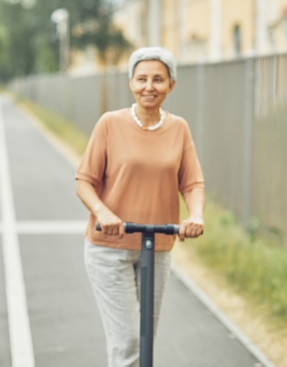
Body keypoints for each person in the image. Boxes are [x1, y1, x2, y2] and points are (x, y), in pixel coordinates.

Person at [75, 46, 205, 367]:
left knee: (145, 338)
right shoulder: (110, 124)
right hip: (109, 247)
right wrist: (103, 213)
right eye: (142, 78)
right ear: (131, 83)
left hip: (158, 246)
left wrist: (196, 215)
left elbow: (192, 183)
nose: (150, 86)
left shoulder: (179, 129)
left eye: (158, 79)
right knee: (129, 340)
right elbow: (84, 181)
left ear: (171, 85)